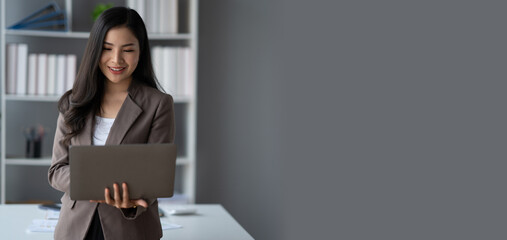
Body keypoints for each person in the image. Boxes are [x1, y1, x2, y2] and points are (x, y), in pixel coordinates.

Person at [48, 7, 174, 240]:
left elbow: (157, 177)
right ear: (95, 50)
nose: (116, 59)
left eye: (127, 50)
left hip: (131, 229)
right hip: (75, 229)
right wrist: (96, 184)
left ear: (141, 51)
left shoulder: (158, 104)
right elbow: (56, 170)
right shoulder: (72, 102)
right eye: (107, 49)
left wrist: (129, 203)